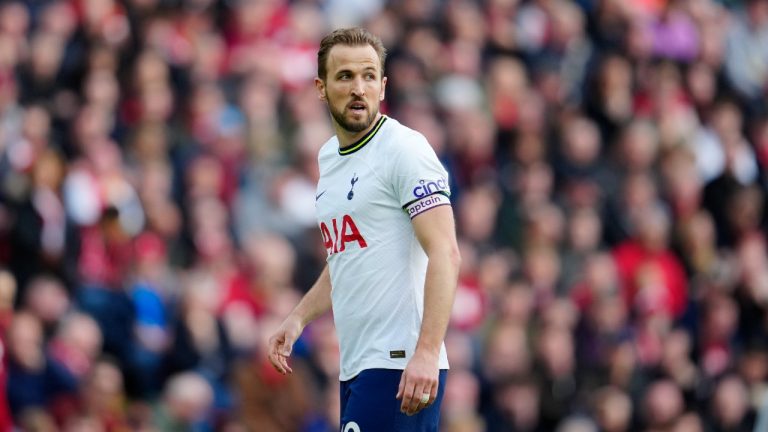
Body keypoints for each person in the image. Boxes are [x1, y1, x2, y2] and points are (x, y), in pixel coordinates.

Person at [267, 27, 460, 432]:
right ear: (321, 88)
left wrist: (425, 352)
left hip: (400, 366)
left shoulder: (404, 149)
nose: (359, 88)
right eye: (345, 76)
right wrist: (299, 318)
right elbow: (346, 257)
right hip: (356, 364)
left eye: (369, 76)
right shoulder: (329, 158)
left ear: (383, 85)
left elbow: (445, 252)